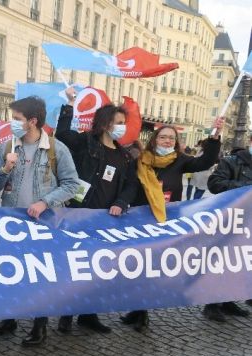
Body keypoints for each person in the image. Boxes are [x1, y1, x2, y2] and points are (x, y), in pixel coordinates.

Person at [0, 96, 80, 346]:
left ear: (33, 121)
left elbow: (73, 184)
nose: (12, 123)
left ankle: (39, 326)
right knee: (11, 272)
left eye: (16, 119)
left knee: (41, 275)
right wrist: (5, 168)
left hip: (44, 224)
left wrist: (45, 202)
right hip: (13, 223)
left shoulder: (56, 149)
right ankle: (9, 318)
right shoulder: (7, 147)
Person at [54, 87, 139, 335]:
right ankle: (66, 315)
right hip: (79, 214)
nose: (122, 127)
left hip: (106, 220)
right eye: (118, 123)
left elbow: (131, 185)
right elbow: (61, 134)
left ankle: (88, 315)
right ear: (104, 124)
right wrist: (69, 106)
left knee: (98, 270)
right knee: (75, 268)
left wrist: (121, 203)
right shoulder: (85, 143)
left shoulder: (124, 155)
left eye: (123, 123)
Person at [121, 127, 221, 331]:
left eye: (171, 138)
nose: (167, 141)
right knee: (140, 267)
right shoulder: (140, 160)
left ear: (176, 142)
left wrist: (214, 139)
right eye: (163, 137)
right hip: (141, 221)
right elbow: (131, 186)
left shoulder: (180, 160)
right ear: (154, 139)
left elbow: (205, 162)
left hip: (166, 222)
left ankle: (143, 311)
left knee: (154, 267)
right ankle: (138, 309)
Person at [204, 140, 252, 321]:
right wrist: (246, 189)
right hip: (232, 221)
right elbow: (215, 183)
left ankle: (230, 300)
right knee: (224, 263)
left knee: (242, 264)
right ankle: (212, 304)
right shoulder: (232, 161)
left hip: (250, 223)